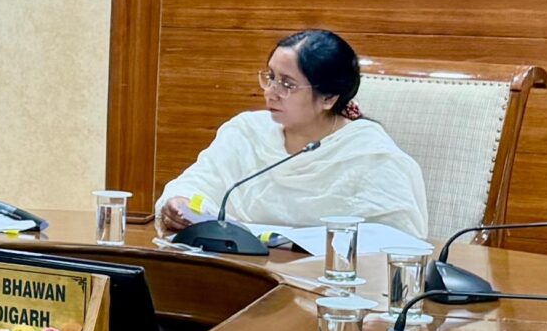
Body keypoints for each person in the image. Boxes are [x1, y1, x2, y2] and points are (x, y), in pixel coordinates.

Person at [158, 29, 427, 239]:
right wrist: (180, 203)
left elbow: (395, 239)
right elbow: (196, 185)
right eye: (270, 77)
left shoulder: (370, 154)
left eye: (287, 84)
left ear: (328, 98)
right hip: (238, 267)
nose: (270, 92)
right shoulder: (246, 132)